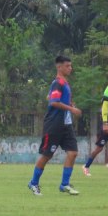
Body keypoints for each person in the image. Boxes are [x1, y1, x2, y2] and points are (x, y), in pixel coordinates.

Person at [27, 55, 82, 196]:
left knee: (73, 152)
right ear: (59, 67)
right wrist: (72, 109)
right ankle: (33, 183)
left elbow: (50, 97)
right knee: (47, 155)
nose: (70, 68)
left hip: (66, 125)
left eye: (70, 65)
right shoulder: (58, 83)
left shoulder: (64, 83)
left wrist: (70, 104)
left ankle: (64, 184)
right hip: (54, 125)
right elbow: (53, 102)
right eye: (67, 66)